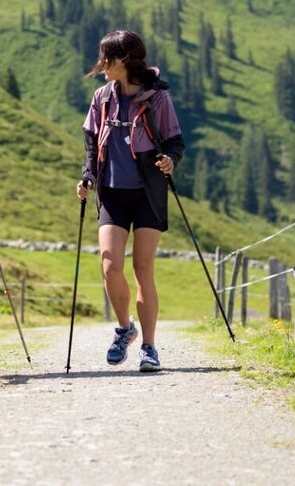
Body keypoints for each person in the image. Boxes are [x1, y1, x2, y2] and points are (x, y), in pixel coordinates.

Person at [76, 30, 184, 373]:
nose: (101, 64)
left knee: (142, 269)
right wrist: (88, 177)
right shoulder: (101, 97)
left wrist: (169, 160)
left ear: (122, 60)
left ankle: (150, 347)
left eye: (106, 57)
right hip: (112, 193)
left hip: (147, 193)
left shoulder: (157, 98)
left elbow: (175, 143)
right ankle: (125, 329)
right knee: (109, 264)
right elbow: (92, 145)